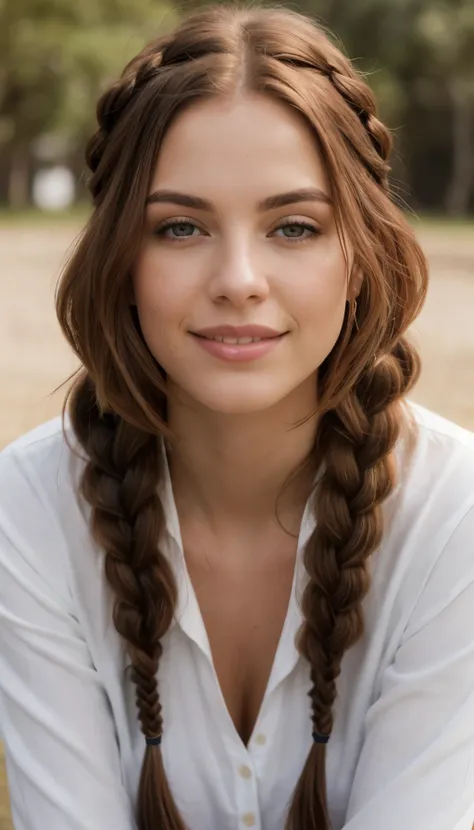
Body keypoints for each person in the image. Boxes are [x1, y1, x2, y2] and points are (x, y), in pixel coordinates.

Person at [0, 4, 474, 829]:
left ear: (357, 259)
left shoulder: (456, 515)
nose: (239, 279)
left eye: (295, 226)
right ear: (121, 262)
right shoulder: (30, 509)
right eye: (180, 227)